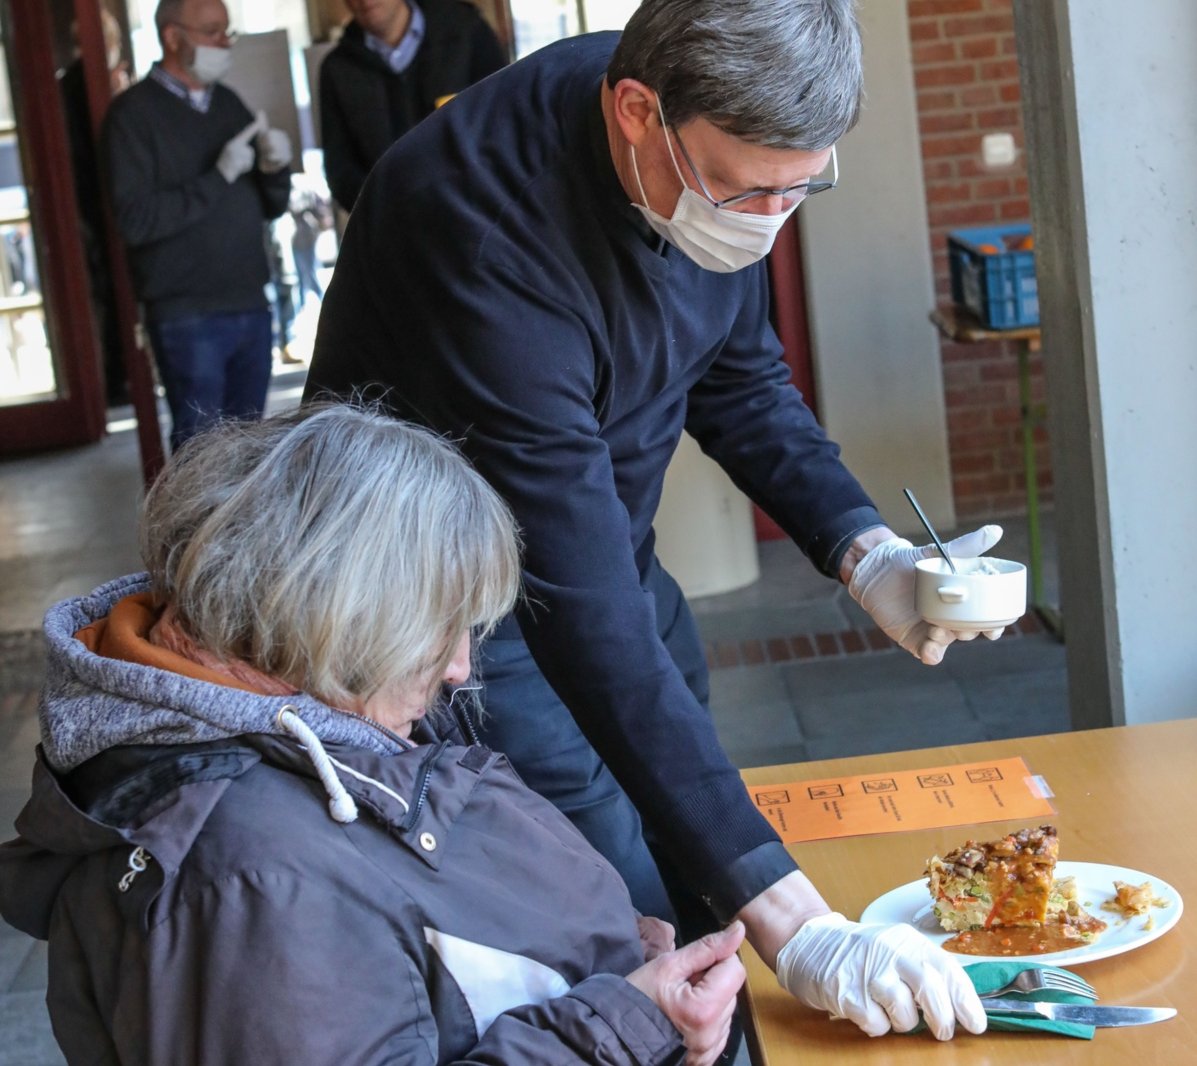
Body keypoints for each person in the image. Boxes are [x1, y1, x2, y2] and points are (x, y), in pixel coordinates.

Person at [305, 0, 996, 1041]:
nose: (769, 218)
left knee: (708, 873)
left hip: (614, 568)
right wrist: (802, 925)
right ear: (637, 113)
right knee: (624, 939)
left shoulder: (707, 138)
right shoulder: (482, 229)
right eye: (750, 189)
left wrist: (870, 552)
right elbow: (578, 608)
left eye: (799, 188)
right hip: (459, 632)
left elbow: (743, 380)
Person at [0, 405, 747, 1065]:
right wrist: (620, 1025)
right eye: (442, 627)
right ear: (338, 613)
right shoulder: (253, 880)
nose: (458, 667)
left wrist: (624, 975)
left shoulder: (304, 715)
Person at [101, 0, 293, 450]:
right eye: (212, 32)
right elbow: (136, 222)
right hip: (187, 313)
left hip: (249, 301)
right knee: (200, 452)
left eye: (228, 32)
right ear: (172, 37)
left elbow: (270, 207)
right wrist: (218, 177)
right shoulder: (132, 116)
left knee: (249, 452)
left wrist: (275, 169)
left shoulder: (228, 104)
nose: (224, 43)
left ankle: (239, 526)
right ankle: (195, 526)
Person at [319, 0, 507, 212]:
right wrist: (390, 217)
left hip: (484, 218)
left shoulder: (467, 33)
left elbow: (506, 127)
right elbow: (340, 170)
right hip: (395, 233)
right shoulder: (337, 69)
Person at [58, 7, 130, 406]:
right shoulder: (77, 84)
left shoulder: (111, 78)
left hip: (112, 199)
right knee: (106, 290)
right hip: (93, 203)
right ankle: (114, 378)